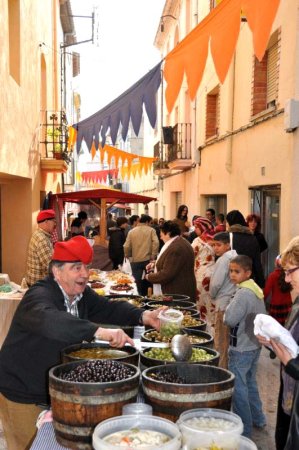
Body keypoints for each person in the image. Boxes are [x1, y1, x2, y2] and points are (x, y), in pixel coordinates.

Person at [0, 236, 163, 450]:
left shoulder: (81, 294)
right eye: (76, 268)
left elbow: (108, 308)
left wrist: (144, 316)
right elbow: (52, 322)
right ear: (57, 271)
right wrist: (98, 331)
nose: (85, 274)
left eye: (86, 267)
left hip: (54, 389)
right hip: (22, 390)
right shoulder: (39, 295)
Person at [256, 236, 299, 450]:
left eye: (291, 271)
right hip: (289, 399)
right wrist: (274, 344)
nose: (287, 279)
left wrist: (290, 363)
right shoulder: (298, 301)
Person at [224, 255, 267, 438]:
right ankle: (259, 418)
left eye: (237, 271)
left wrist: (227, 309)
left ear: (247, 273)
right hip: (254, 345)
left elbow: (230, 319)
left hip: (240, 347)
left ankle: (244, 429)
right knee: (250, 382)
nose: (233, 275)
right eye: (231, 271)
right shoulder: (255, 289)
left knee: (239, 387)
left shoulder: (243, 293)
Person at [145, 220, 197, 302]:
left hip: (178, 292)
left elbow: (167, 274)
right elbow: (170, 262)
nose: (160, 237)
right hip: (180, 289)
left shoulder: (176, 248)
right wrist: (155, 264)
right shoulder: (179, 242)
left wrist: (148, 276)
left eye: (161, 234)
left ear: (168, 233)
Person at [209, 232, 237, 368]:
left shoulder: (223, 260)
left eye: (219, 245)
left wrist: (212, 295)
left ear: (227, 245)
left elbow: (215, 284)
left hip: (222, 303)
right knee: (227, 340)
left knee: (220, 341)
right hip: (231, 301)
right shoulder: (234, 257)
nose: (215, 248)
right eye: (214, 245)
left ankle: (221, 371)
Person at [226, 210, 265, 288]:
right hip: (248, 278)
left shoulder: (228, 237)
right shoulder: (252, 238)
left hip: (230, 280)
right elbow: (257, 262)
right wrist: (261, 283)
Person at [124, 214, 159, 296]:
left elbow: (126, 246)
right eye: (150, 223)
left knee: (136, 281)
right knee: (149, 280)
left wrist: (128, 255)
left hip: (135, 260)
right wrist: (153, 255)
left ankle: (138, 297)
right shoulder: (151, 230)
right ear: (147, 222)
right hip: (148, 260)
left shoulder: (131, 231)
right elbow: (156, 242)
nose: (151, 224)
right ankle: (148, 297)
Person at [191, 217, 215, 322]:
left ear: (202, 227)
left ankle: (202, 324)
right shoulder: (214, 239)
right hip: (213, 273)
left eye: (197, 227)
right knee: (210, 302)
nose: (195, 229)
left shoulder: (198, 241)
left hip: (200, 274)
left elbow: (191, 255)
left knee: (200, 301)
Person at [25, 209, 57, 287]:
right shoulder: (42, 239)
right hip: (39, 285)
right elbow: (49, 267)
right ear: (46, 221)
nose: (55, 224)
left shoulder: (39, 234)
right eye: (53, 221)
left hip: (35, 282)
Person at [263, 255, 292, 325]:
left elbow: (266, 291)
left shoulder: (272, 275)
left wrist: (261, 300)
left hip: (276, 305)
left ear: (276, 263)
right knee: (287, 325)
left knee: (276, 327)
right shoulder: (289, 274)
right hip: (288, 304)